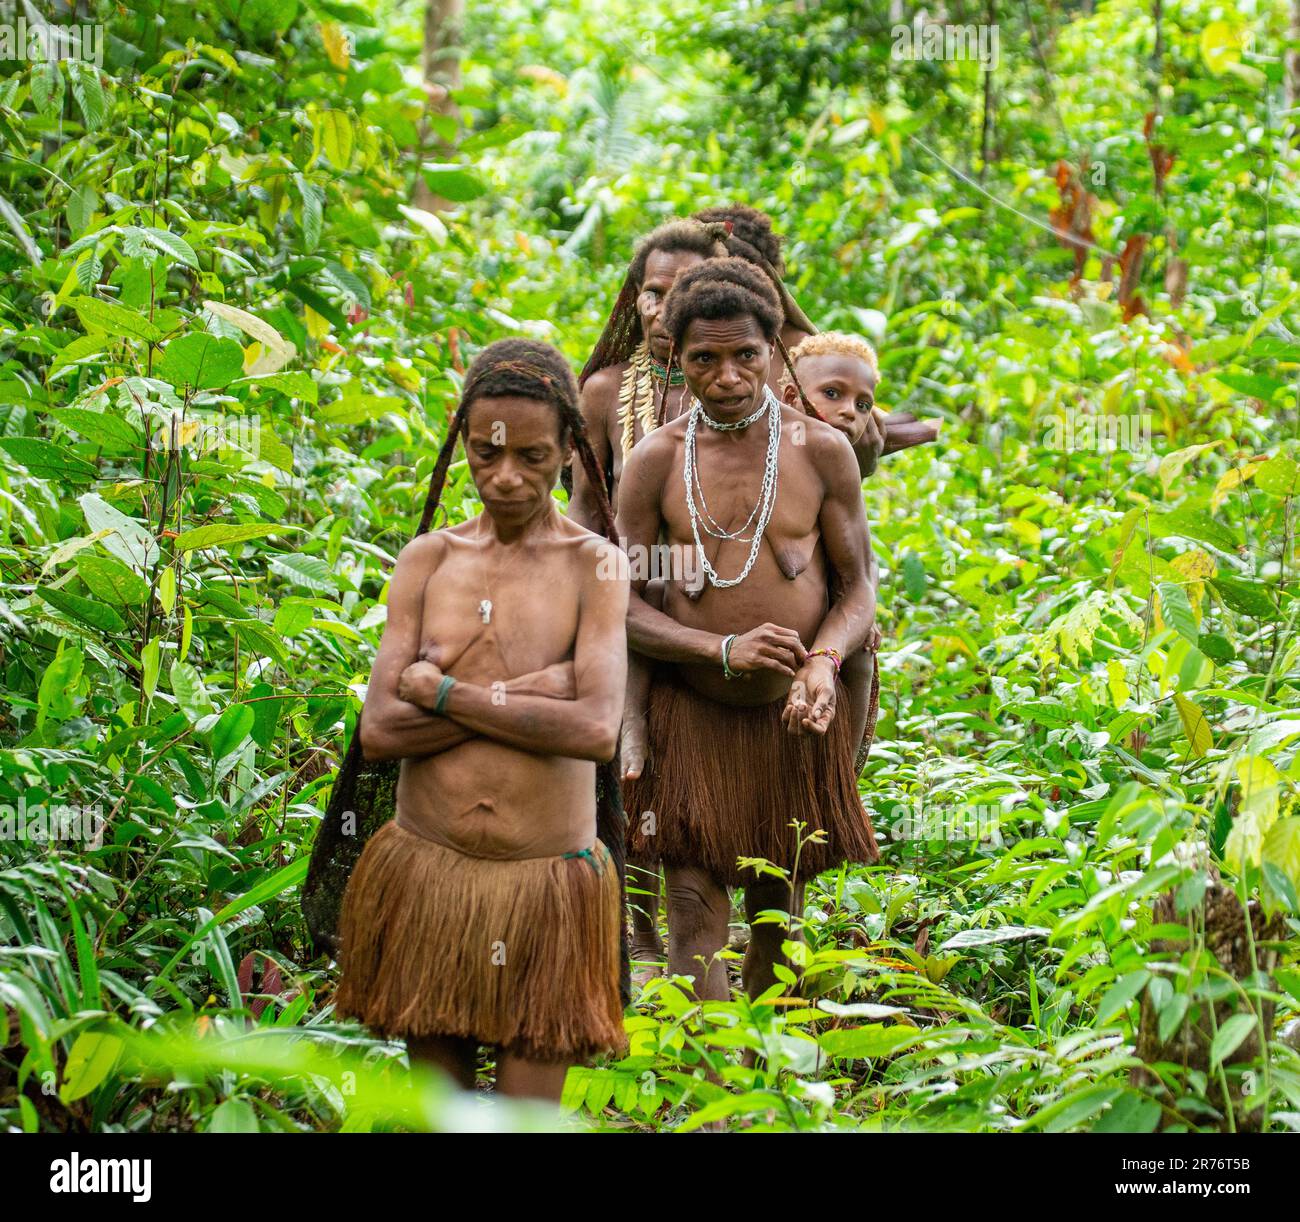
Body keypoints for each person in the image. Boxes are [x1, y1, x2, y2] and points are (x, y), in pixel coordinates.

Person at [334, 339, 629, 1102]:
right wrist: (539, 694)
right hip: (431, 871)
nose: (505, 476)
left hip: (549, 890)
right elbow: (379, 733)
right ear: (463, 439)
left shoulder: (595, 566)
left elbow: (597, 730)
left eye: (532, 456)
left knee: (527, 1119)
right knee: (440, 1115)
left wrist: (445, 694)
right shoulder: (426, 561)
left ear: (570, 447)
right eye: (485, 452)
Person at [616, 257, 880, 1002]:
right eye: (705, 358)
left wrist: (824, 662)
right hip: (692, 719)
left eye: (746, 356)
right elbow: (622, 602)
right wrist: (719, 649)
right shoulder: (653, 464)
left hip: (791, 726)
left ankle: (773, 1079)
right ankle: (708, 1099)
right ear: (677, 358)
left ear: (775, 354)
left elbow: (858, 589)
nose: (728, 376)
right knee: (694, 910)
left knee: (778, 912)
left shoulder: (822, 454)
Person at [779, 331, 889, 772]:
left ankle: (842, 778)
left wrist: (862, 618)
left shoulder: (845, 467)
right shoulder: (766, 455)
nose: (849, 411)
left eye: (863, 405)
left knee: (860, 658)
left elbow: (864, 565)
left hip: (832, 614)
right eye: (832, 394)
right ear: (789, 395)